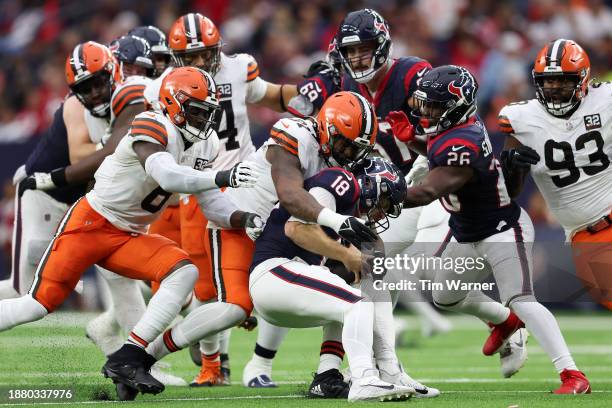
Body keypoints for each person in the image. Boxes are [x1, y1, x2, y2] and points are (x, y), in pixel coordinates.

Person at [0, 67, 261, 397]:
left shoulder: (203, 145)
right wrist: (224, 178)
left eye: (207, 112)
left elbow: (211, 204)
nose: (203, 121)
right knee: (36, 305)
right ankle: (129, 356)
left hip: (128, 234)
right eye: (196, 111)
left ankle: (130, 355)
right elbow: (167, 176)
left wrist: (244, 218)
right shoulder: (152, 123)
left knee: (183, 273)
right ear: (173, 104)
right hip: (92, 224)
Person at [141, 91, 379, 398]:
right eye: (345, 143)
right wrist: (339, 223)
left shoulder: (338, 164)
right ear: (326, 129)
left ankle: (319, 372)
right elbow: (291, 197)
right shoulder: (296, 136)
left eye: (356, 148)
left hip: (277, 234)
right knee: (232, 308)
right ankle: (145, 356)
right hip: (239, 221)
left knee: (329, 284)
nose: (348, 153)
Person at [388, 64, 591, 394]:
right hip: (467, 231)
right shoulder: (453, 129)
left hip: (502, 230)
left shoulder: (463, 140)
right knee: (445, 295)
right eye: (426, 104)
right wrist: (415, 142)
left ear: (456, 106)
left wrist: (385, 196)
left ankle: (571, 373)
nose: (427, 112)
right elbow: (439, 157)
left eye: (436, 106)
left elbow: (430, 189)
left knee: (522, 299)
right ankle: (504, 321)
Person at [249, 159, 415, 402]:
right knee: (358, 303)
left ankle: (328, 377)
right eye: (384, 202)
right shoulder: (340, 183)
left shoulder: (348, 212)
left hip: (288, 283)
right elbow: (297, 229)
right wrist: (347, 254)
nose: (381, 212)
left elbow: (368, 260)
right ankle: (364, 378)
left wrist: (365, 257)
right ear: (370, 185)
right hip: (275, 271)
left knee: (351, 294)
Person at [0, 42, 121, 300]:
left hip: (77, 199)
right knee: (22, 289)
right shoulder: (75, 106)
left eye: (99, 82)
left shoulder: (127, 98)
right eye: (85, 88)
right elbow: (79, 156)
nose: (95, 93)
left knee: (114, 270)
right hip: (43, 192)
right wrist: (117, 145)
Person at [498, 38, 612, 311]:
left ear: (583, 79)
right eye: (548, 81)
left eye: (563, 80)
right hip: (582, 231)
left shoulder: (606, 99)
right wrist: (512, 167)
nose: (555, 87)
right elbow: (511, 191)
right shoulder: (520, 118)